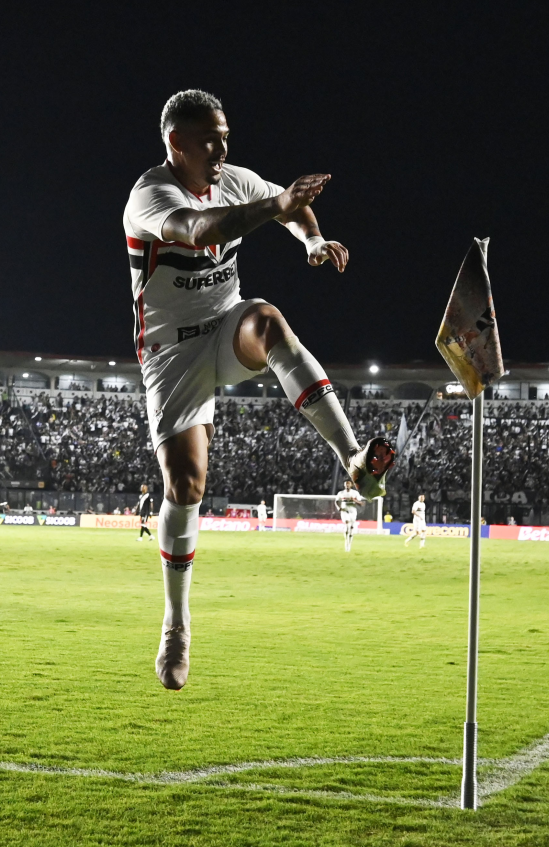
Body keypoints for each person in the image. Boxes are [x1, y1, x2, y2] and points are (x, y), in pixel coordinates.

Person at [123, 89, 395, 690]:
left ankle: (352, 458)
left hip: (226, 328)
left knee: (268, 319)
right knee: (185, 484)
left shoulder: (236, 178)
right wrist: (275, 204)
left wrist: (312, 239)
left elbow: (291, 209)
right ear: (177, 144)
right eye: (210, 140)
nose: (222, 149)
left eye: (226, 136)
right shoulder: (149, 196)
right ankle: (176, 620)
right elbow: (197, 230)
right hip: (171, 353)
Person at [334, 480, 364, 553]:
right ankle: (346, 543)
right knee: (347, 525)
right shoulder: (341, 493)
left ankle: (349, 543)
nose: (347, 485)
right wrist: (339, 508)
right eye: (346, 484)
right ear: (344, 485)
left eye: (349, 484)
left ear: (351, 485)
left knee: (351, 528)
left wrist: (354, 500)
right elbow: (336, 501)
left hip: (353, 511)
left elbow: (361, 503)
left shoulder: (355, 493)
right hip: (344, 511)